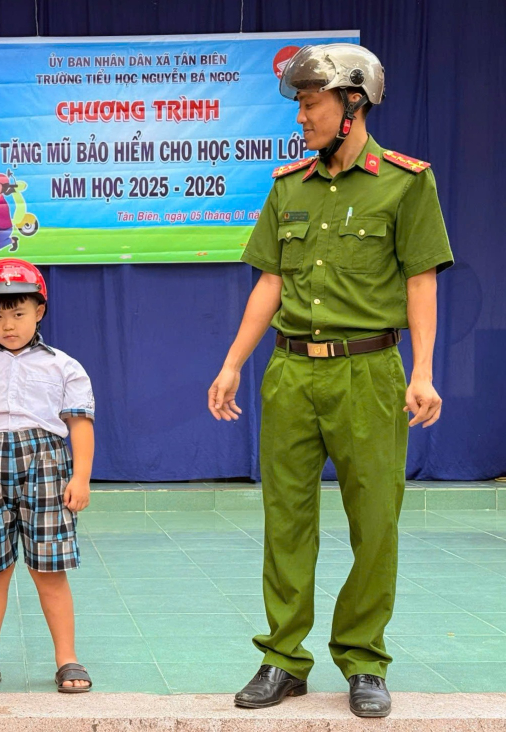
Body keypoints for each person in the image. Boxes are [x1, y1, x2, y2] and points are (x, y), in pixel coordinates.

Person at [207, 43, 454, 718]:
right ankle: (283, 659)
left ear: (353, 104)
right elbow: (270, 280)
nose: (302, 118)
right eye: (300, 106)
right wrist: (233, 361)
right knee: (285, 520)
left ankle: (364, 659)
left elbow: (421, 280)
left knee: (375, 522)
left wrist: (424, 371)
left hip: (370, 372)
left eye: (311, 104)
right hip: (290, 373)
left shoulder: (406, 182)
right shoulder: (289, 186)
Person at [0, 258, 95, 694]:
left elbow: (80, 424)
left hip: (45, 463)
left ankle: (67, 658)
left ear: (40, 311)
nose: (8, 325)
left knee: (50, 568)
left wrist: (80, 477)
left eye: (19, 314)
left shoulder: (63, 365)